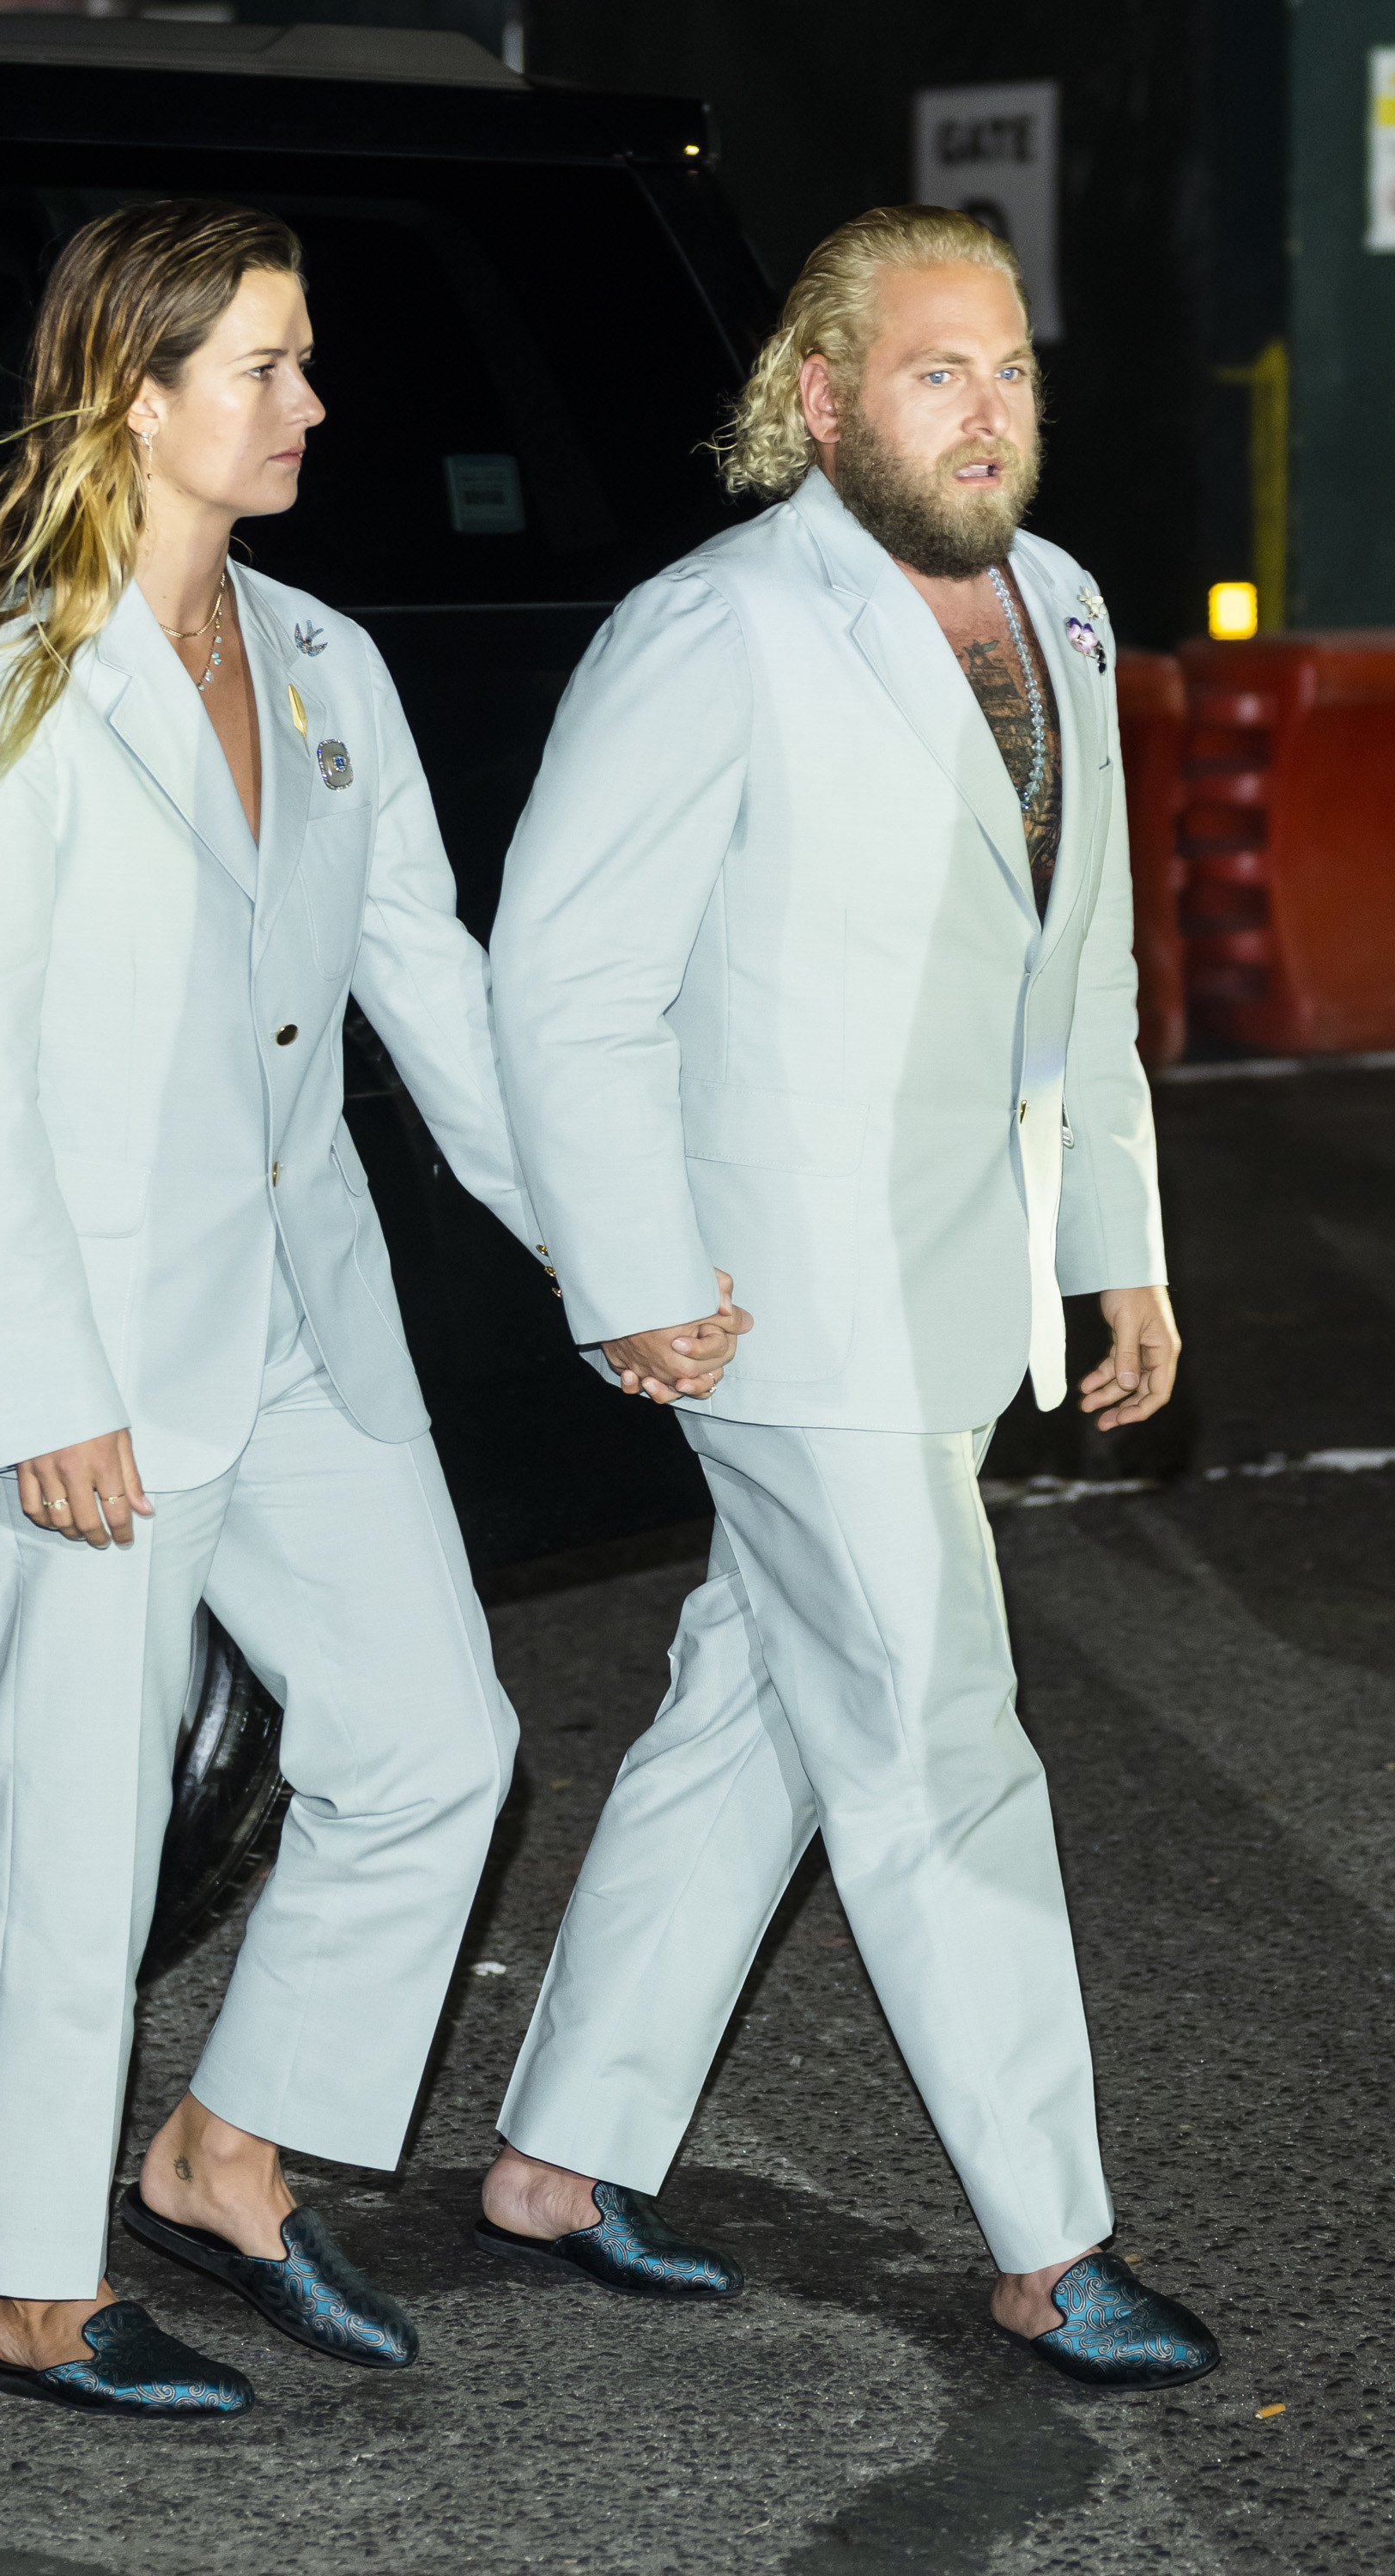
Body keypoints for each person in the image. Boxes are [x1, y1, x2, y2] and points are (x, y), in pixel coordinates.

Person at [477, 206, 1219, 2389]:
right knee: (929, 1738)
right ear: (819, 397)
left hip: (956, 1279)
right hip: (777, 1298)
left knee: (762, 1711)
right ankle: (1047, 2243)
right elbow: (567, 977)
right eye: (932, 373)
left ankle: (558, 2156)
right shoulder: (715, 627)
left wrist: (1114, 1249)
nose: (985, 411)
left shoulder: (1058, 607)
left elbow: (1076, 964)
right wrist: (628, 1274)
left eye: (1008, 371)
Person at [0, 198, 551, 2417]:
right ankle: (35, 2296)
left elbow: (433, 990)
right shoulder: (10, 681)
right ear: (137, 394)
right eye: (264, 365)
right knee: (86, 1820)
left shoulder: (329, 666)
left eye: (304, 358)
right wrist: (40, 1389)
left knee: (437, 1743)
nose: (311, 403)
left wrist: (624, 1263)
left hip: (300, 1314)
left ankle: (225, 2152)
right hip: (90, 1352)